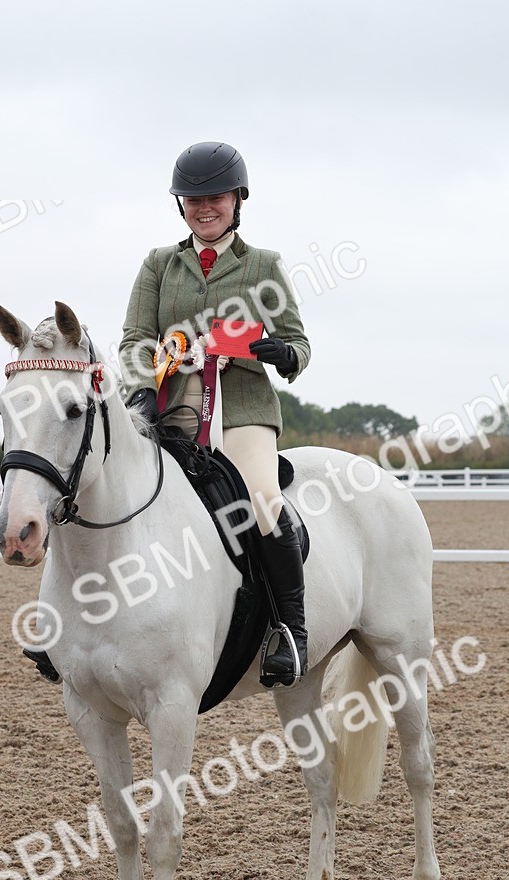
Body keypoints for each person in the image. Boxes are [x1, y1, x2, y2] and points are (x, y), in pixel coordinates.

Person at [119, 141, 312, 686]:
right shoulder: (160, 264)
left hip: (243, 410)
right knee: (113, 488)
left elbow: (299, 344)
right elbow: (136, 338)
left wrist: (283, 353)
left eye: (216, 197)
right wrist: (140, 388)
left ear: (238, 199)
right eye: (192, 198)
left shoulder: (263, 265)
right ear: (180, 204)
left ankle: (288, 631)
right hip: (170, 407)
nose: (205, 207)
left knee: (261, 500)